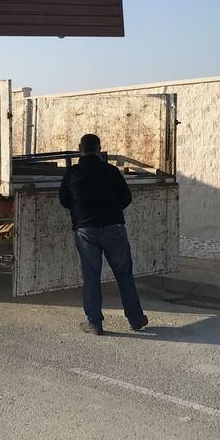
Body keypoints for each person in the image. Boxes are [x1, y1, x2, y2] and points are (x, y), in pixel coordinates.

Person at [59, 133, 148, 335]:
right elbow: (126, 198)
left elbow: (64, 200)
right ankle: (135, 319)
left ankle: (94, 323)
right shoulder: (111, 170)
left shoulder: (72, 173)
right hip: (114, 228)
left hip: (85, 230)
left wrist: (82, 210)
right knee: (124, 274)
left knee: (91, 276)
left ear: (79, 148)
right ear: (99, 149)